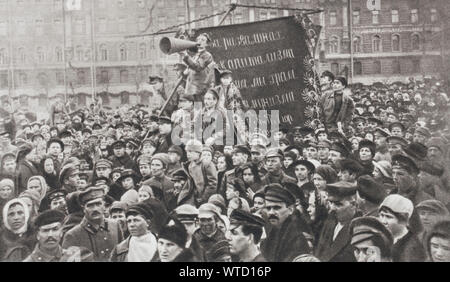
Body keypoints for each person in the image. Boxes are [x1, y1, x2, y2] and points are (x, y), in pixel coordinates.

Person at [62, 187, 124, 261]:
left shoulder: (115, 225)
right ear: (83, 208)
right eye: (90, 205)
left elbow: (122, 255)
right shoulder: (73, 235)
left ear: (104, 206)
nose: (95, 209)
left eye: (98, 204)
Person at [260, 184, 310, 262]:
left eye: (277, 208)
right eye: (268, 208)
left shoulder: (296, 238)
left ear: (290, 210)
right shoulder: (273, 232)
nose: (271, 212)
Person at [23, 210, 93, 262]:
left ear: (61, 232)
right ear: (38, 235)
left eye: (55, 229)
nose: (50, 235)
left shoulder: (76, 256)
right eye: (45, 230)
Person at [315, 181, 359, 262]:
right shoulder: (330, 221)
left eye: (338, 204)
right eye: (331, 203)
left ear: (354, 205)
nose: (332, 208)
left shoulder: (359, 228)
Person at [378, 194, 426, 262]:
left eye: (388, 217)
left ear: (402, 220)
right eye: (381, 215)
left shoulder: (413, 247)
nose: (383, 221)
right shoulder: (379, 238)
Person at [182, 33, 215, 102]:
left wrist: (185, 56)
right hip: (192, 90)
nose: (199, 41)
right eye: (198, 39)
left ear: (206, 44)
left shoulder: (206, 55)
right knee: (194, 110)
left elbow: (198, 67)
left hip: (199, 90)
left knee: (199, 109)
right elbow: (191, 68)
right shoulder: (195, 55)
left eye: (202, 40)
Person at [184, 139, 218, 206]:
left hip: (207, 199)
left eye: (190, 151)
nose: (188, 154)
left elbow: (212, 183)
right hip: (197, 198)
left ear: (198, 152)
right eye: (187, 152)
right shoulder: (190, 165)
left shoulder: (206, 164)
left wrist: (203, 198)